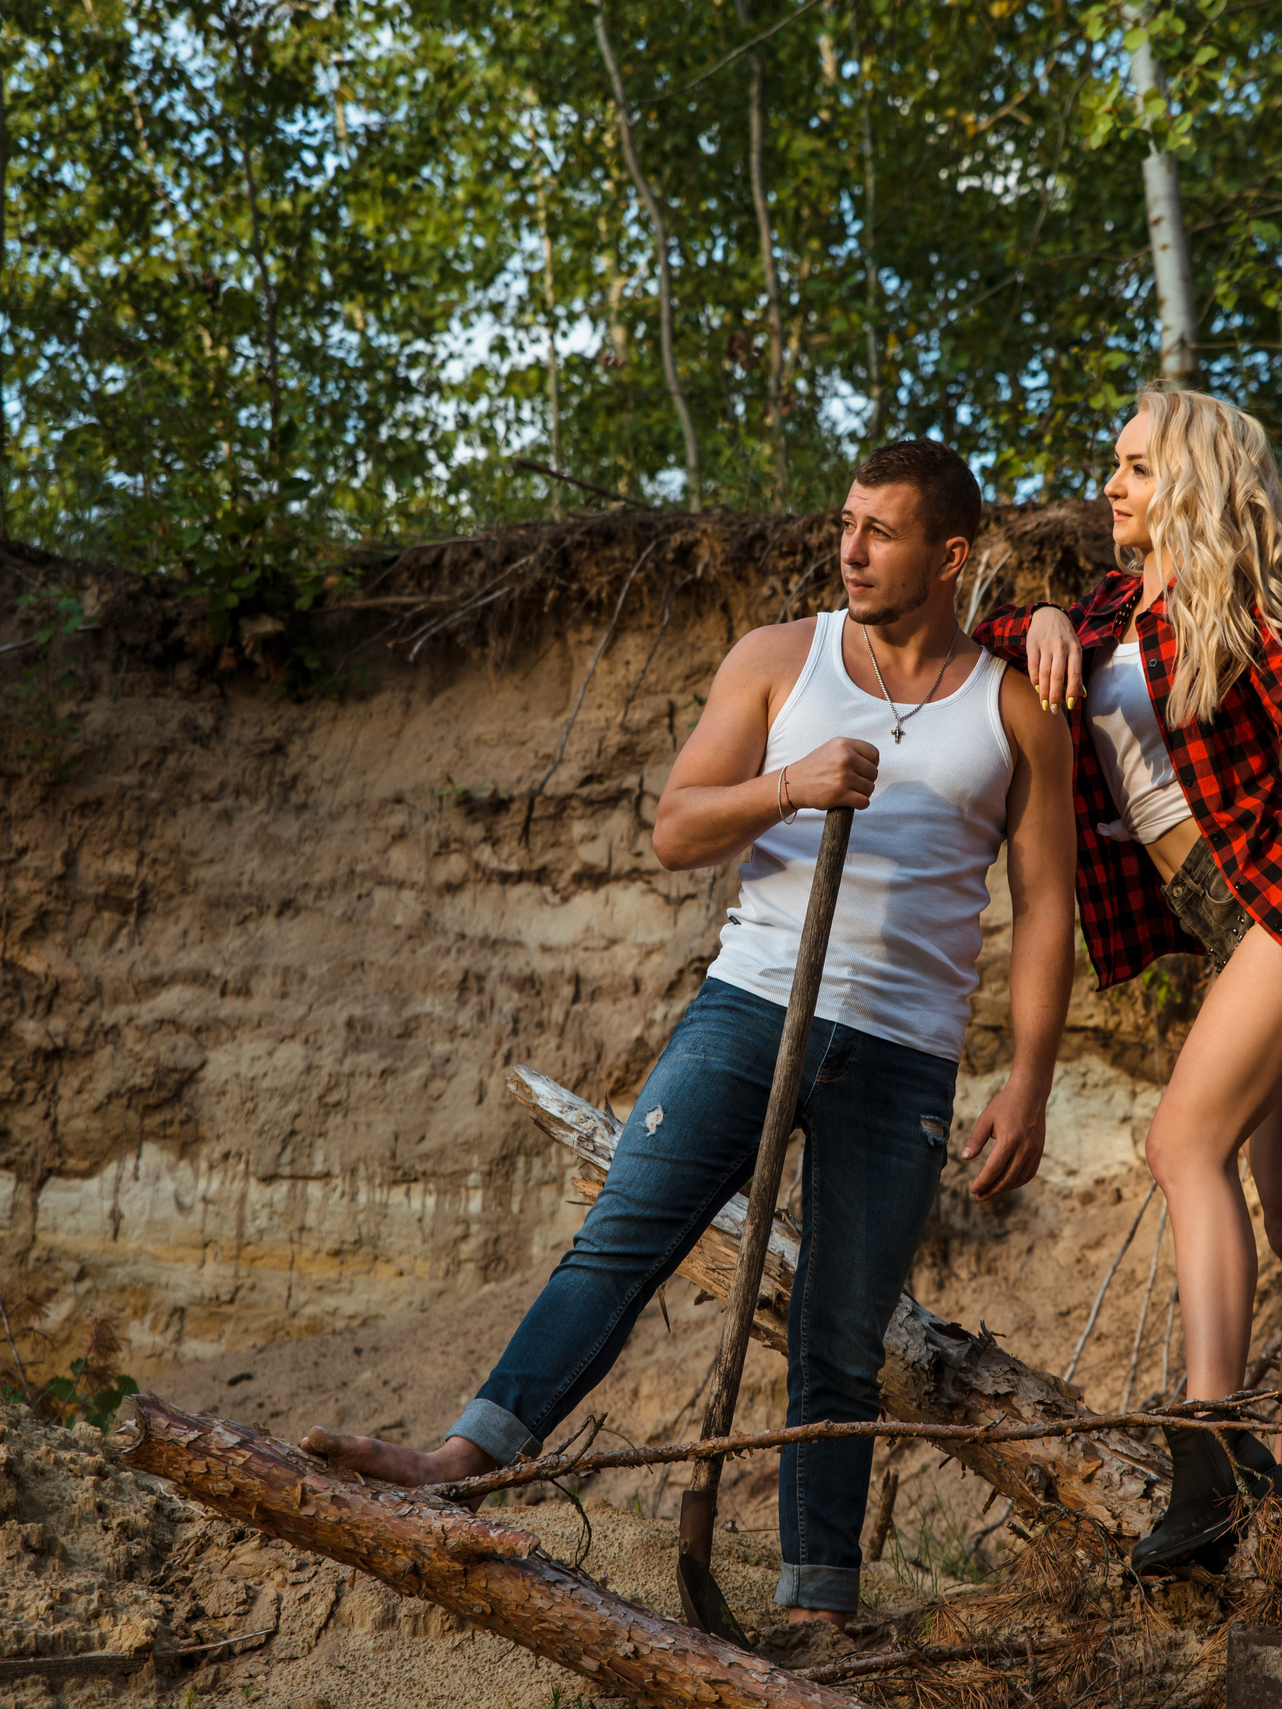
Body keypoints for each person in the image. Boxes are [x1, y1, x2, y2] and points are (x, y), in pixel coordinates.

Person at [304, 439, 1076, 1629]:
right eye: (845, 521)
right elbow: (674, 826)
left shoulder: (1011, 709)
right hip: (753, 1002)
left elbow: (1046, 910)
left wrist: (1028, 1080)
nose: (850, 546)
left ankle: (818, 1597)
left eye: (881, 529)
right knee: (624, 1234)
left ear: (951, 555)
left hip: (907, 1048)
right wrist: (790, 785)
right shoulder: (782, 659)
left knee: (841, 1328)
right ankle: (465, 1459)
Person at [972, 387, 1282, 1574]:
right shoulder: (1111, 605)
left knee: (1179, 1143)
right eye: (1113, 466)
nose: (1111, 485)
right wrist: (1046, 614)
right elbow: (991, 643)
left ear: (1194, 485)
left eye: (1137, 467)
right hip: (1251, 915)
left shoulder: (1235, 608)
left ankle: (1211, 1450)